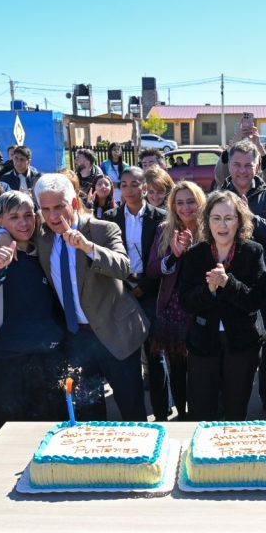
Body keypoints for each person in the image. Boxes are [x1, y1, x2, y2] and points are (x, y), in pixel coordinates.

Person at [33, 173, 149, 421]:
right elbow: (9, 227)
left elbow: (123, 267)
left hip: (116, 334)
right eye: (46, 209)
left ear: (74, 202)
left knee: (132, 412)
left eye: (59, 207)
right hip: (78, 339)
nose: (53, 216)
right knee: (88, 415)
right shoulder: (42, 237)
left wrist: (88, 248)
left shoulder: (102, 229)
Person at [0, 191, 66, 435]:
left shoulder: (42, 250)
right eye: (14, 217)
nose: (23, 223)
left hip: (47, 355)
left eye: (28, 215)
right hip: (6, 359)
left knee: (50, 430)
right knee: (10, 434)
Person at [179, 191, 266, 419]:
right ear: (207, 221)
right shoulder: (194, 254)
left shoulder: (253, 251)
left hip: (242, 343)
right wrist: (209, 289)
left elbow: (256, 300)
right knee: (201, 409)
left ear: (239, 220)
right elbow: (186, 301)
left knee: (235, 410)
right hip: (203, 342)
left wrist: (228, 284)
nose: (223, 225)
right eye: (216, 218)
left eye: (229, 218)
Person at [221, 139, 266, 418]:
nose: (242, 171)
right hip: (229, 285)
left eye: (248, 165)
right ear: (229, 165)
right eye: (236, 164)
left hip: (265, 283)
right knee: (231, 347)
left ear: (258, 165)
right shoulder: (219, 194)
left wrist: (249, 217)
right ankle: (231, 405)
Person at [103, 166, 168, 421]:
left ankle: (162, 413)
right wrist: (126, 287)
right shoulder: (110, 217)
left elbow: (164, 258)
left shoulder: (160, 217)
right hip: (122, 290)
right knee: (128, 356)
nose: (129, 190)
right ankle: (135, 418)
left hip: (151, 289)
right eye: (124, 185)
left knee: (155, 355)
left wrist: (145, 287)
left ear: (145, 188)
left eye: (134, 184)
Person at [145, 180, 205, 420]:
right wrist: (174, 256)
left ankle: (203, 413)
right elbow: (152, 270)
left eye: (191, 201)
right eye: (180, 203)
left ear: (200, 202)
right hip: (173, 310)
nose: (185, 208)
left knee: (202, 367)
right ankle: (182, 413)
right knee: (177, 369)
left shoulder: (211, 227)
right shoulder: (164, 229)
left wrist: (192, 251)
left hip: (202, 307)